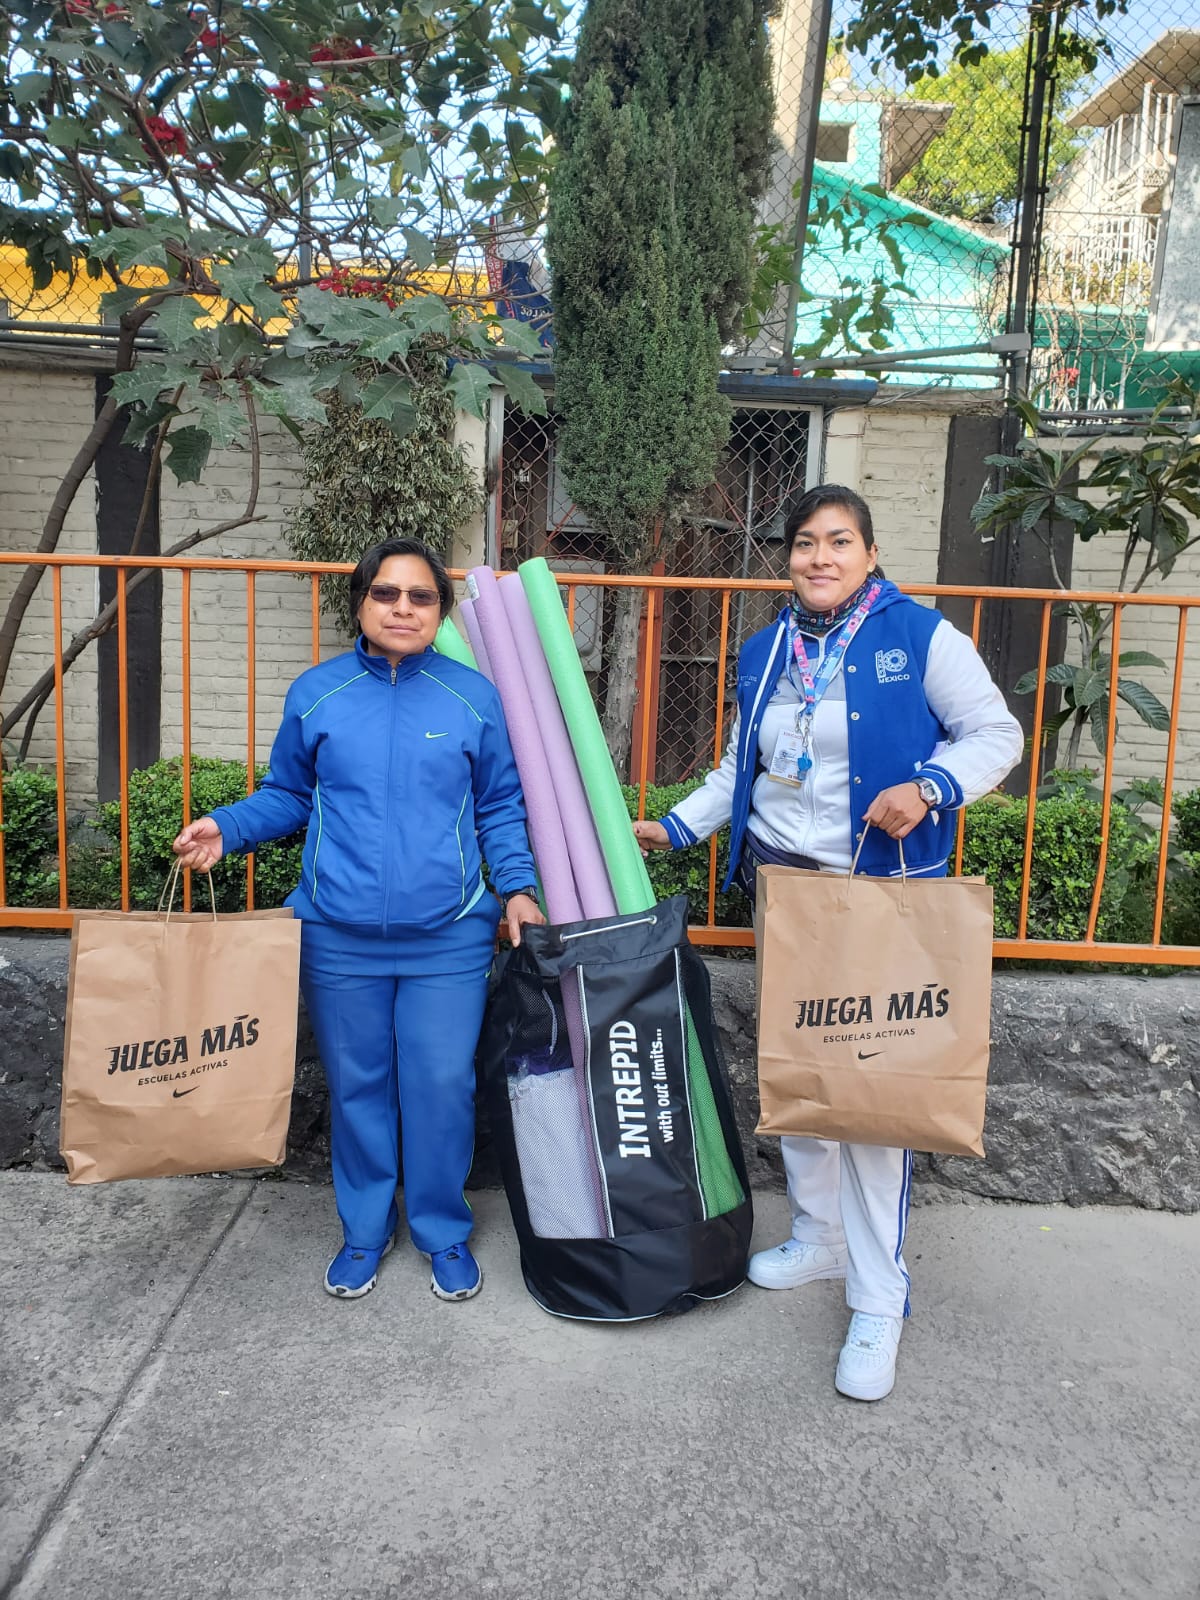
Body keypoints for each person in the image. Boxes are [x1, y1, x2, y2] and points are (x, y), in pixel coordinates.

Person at [633, 485, 1021, 1401]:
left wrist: (929, 787)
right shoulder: (769, 648)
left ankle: (879, 1297)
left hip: (878, 896)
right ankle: (818, 1237)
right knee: (802, 1074)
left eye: (839, 542)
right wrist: (677, 826)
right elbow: (744, 765)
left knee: (875, 1100)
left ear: (870, 554)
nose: (820, 558)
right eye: (805, 542)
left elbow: (995, 734)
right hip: (789, 893)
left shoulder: (918, 636)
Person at [173, 537, 543, 1304]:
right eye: (386, 593)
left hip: (448, 936)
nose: (403, 608)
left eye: (421, 596)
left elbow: (500, 805)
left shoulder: (473, 697)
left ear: (440, 611)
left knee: (441, 1086)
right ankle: (365, 1231)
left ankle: (441, 1230)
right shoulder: (318, 693)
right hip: (337, 938)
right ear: (361, 602)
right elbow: (288, 794)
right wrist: (227, 828)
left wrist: (516, 887)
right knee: (357, 1088)